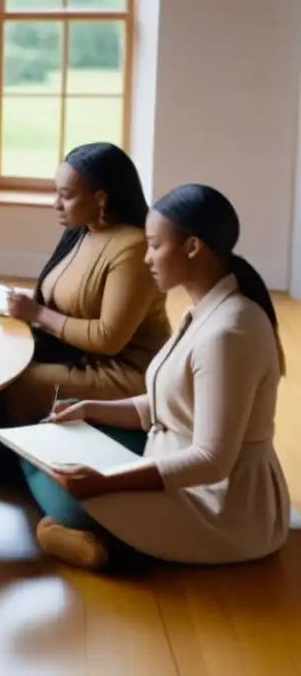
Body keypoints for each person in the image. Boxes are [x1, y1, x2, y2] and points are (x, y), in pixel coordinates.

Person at [21, 184, 291, 571]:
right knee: (46, 445)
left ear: (193, 247)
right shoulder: (207, 308)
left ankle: (85, 537)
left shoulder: (230, 333)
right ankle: (87, 532)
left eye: (154, 246)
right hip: (169, 455)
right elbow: (172, 402)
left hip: (216, 505)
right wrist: (88, 409)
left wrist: (105, 483)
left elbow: (212, 461)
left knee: (51, 480)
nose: (146, 258)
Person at [0, 143, 171, 456]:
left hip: (122, 374)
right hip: (75, 352)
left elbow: (108, 338)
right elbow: (66, 299)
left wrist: (37, 314)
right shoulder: (84, 231)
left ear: (101, 198)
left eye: (66, 195)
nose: (56, 204)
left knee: (14, 382)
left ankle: (1, 457)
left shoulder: (133, 249)